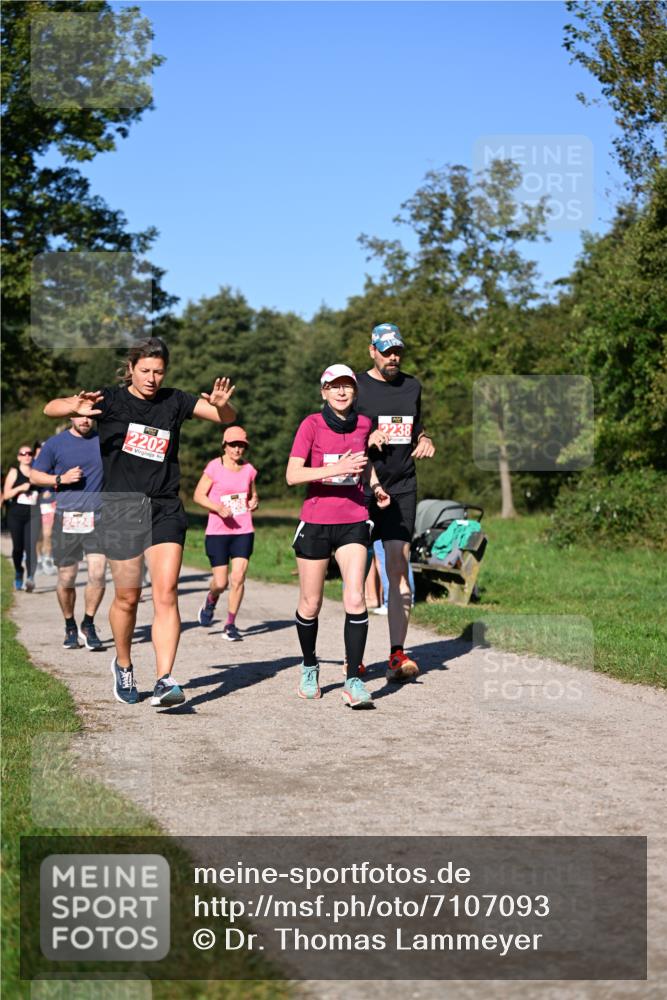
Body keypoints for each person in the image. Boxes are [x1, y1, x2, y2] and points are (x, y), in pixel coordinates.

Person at [43, 336, 236, 708]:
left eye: (158, 371)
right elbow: (50, 408)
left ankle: (164, 679)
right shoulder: (110, 400)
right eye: (145, 370)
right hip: (122, 508)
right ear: (130, 368)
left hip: (165, 506)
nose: (151, 378)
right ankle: (124, 664)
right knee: (128, 597)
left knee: (166, 593)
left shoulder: (175, 401)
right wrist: (74, 405)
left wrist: (222, 406)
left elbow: (224, 418)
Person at [286, 364, 390, 709]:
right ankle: (309, 666)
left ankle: (353, 680)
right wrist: (335, 469)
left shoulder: (363, 424)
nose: (341, 391)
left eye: (347, 386)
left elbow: (364, 464)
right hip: (316, 521)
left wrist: (376, 487)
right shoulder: (311, 424)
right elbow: (292, 475)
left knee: (356, 598)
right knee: (310, 603)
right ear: (324, 392)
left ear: (355, 391)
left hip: (353, 519)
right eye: (335, 386)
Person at [355, 323, 435, 682]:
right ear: (372, 350)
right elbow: (339, 431)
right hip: (361, 487)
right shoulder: (355, 386)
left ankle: (396, 654)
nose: (393, 357)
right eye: (386, 351)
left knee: (398, 567)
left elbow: (416, 426)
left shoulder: (412, 386)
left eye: (397, 351)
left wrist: (425, 439)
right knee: (356, 573)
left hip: (402, 487)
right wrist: (366, 436)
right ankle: (354, 656)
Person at [30, 416, 107, 650]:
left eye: (90, 416)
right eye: (81, 415)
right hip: (66, 518)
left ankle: (88, 623)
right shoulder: (55, 443)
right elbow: (35, 475)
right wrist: (60, 479)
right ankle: (70, 625)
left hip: (98, 518)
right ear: (71, 415)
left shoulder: (104, 440)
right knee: (67, 577)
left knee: (98, 574)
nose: (85, 420)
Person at [193, 425, 258, 641]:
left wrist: (254, 501)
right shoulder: (214, 467)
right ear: (224, 445)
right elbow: (198, 495)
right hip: (217, 532)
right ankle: (211, 599)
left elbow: (252, 495)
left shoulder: (249, 469)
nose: (237, 449)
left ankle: (230, 624)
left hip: (243, 530)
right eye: (233, 445)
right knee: (221, 583)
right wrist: (218, 508)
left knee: (238, 577)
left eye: (241, 445)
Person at [3, 444, 40, 591]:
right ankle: (19, 571)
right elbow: (6, 495)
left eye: (29, 453)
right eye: (23, 454)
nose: (27, 456)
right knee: (18, 548)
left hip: (33, 515)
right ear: (18, 457)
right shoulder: (14, 472)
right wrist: (20, 488)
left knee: (31, 547)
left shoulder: (37, 473)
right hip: (16, 515)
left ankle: (30, 578)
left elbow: (45, 490)